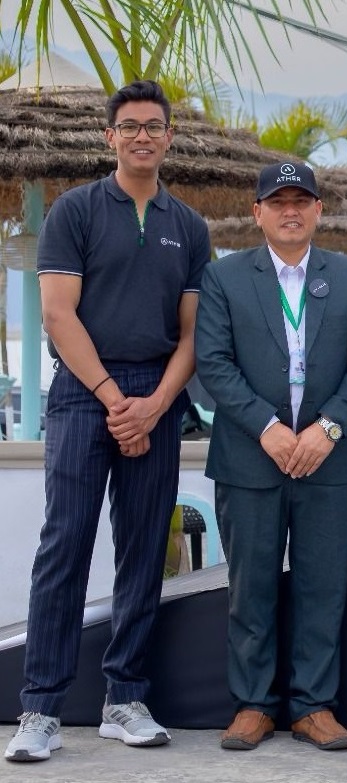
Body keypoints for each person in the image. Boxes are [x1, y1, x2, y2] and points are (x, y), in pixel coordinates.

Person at [6, 79, 209, 763]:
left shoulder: (189, 226)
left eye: (153, 126)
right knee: (64, 544)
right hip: (83, 390)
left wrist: (154, 403)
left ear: (169, 137)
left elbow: (192, 333)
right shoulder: (76, 210)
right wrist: (113, 397)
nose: (142, 136)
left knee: (144, 548)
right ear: (110, 137)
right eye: (130, 126)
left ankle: (125, 696)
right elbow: (57, 313)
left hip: (158, 393)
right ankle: (40, 707)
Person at [192, 162, 347, 751]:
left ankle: (313, 706)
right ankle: (253, 704)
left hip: (326, 460)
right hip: (250, 459)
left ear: (319, 210)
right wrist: (266, 428)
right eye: (277, 202)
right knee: (250, 587)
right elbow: (213, 363)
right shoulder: (223, 277)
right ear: (257, 213)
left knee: (322, 587)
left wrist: (329, 427)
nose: (290, 211)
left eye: (301, 200)